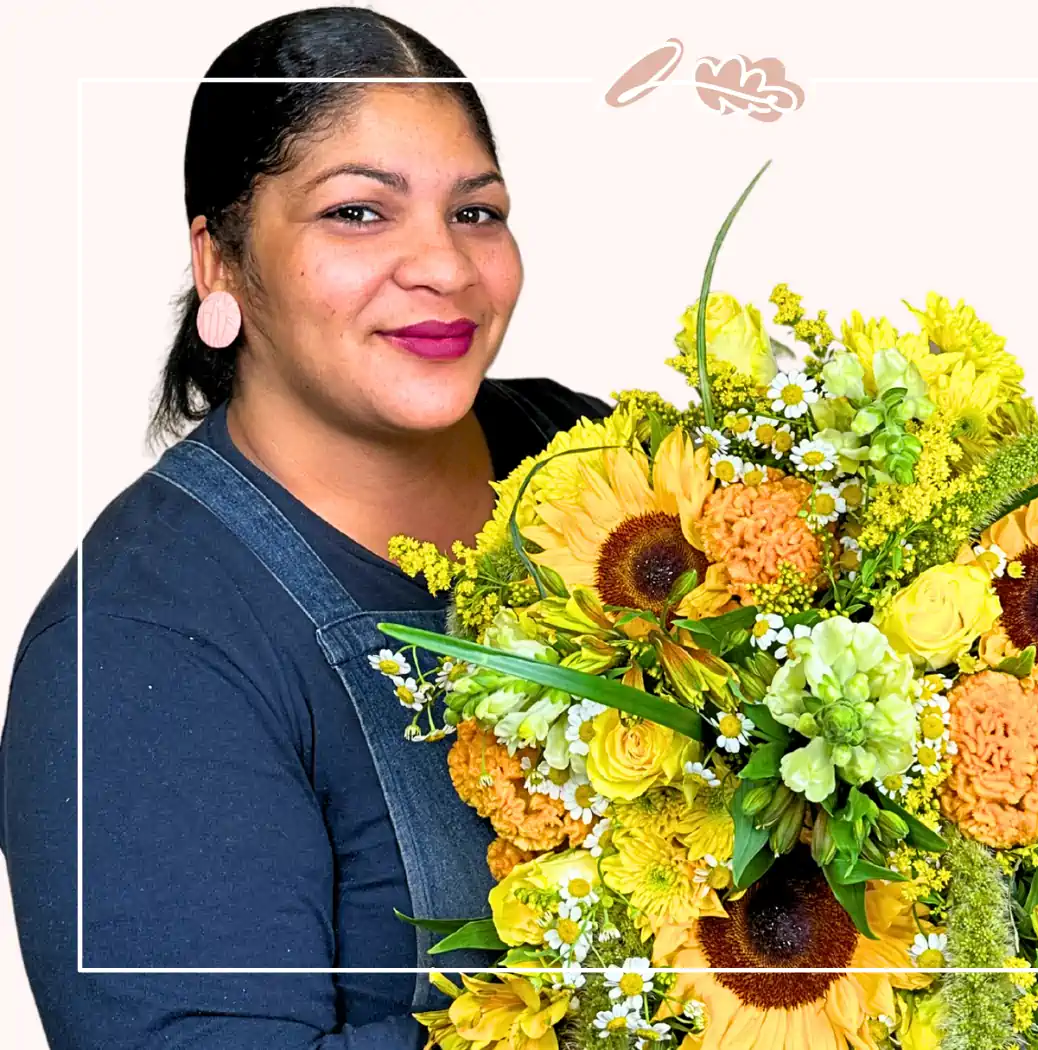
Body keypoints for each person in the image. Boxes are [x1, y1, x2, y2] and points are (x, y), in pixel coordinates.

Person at [0, 8, 610, 1048]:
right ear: (220, 260)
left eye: (476, 213)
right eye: (359, 213)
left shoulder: (587, 458)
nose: (446, 269)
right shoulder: (137, 649)